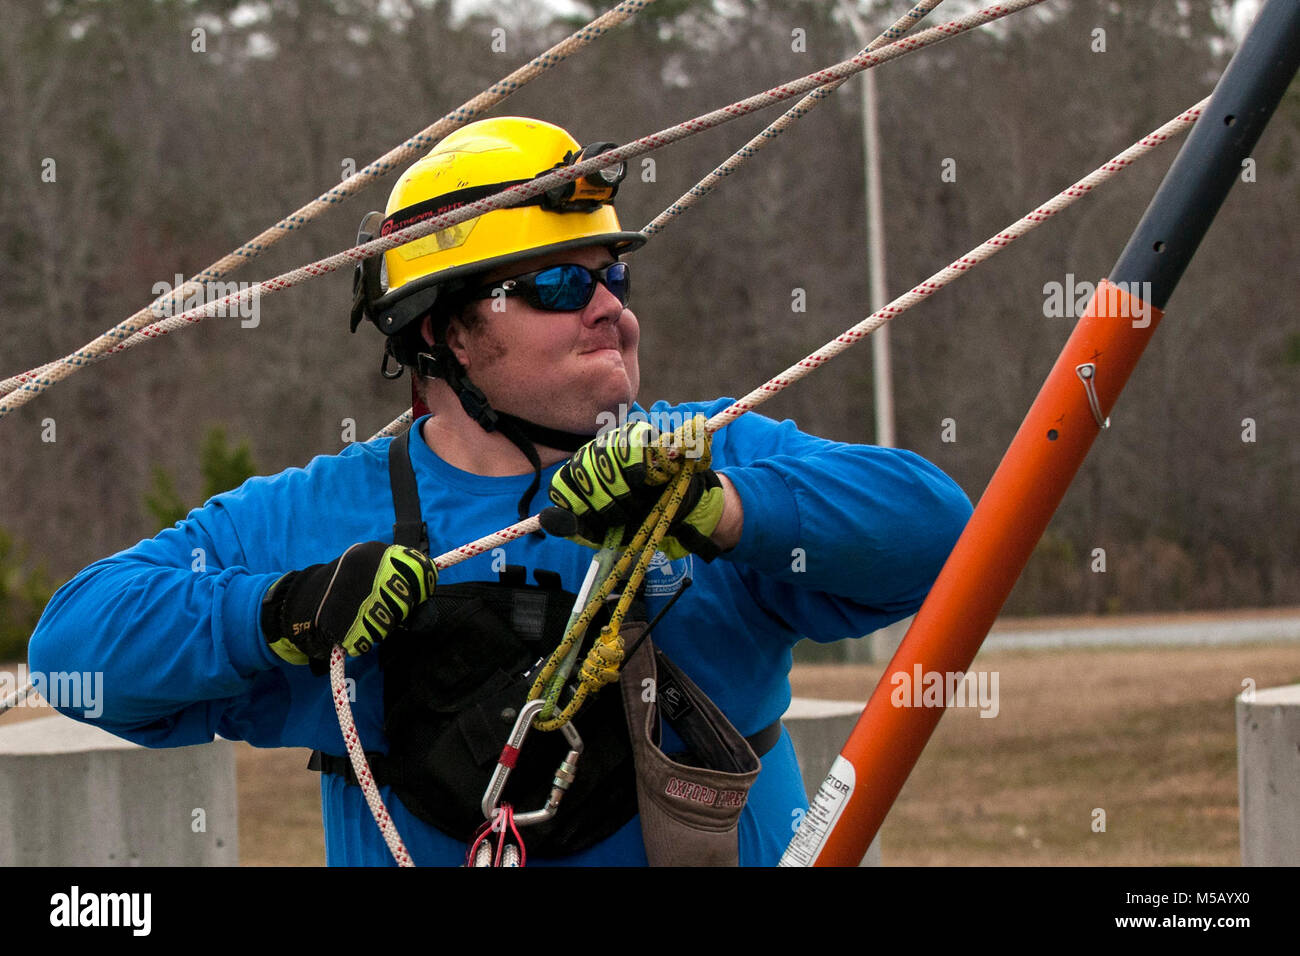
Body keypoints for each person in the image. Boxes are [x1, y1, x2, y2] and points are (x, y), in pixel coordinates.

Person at [28, 117, 972, 866]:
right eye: (561, 284)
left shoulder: (699, 456)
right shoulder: (321, 518)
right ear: (443, 331)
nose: (611, 307)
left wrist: (718, 510)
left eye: (615, 275)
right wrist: (276, 616)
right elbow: (75, 645)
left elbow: (944, 535)